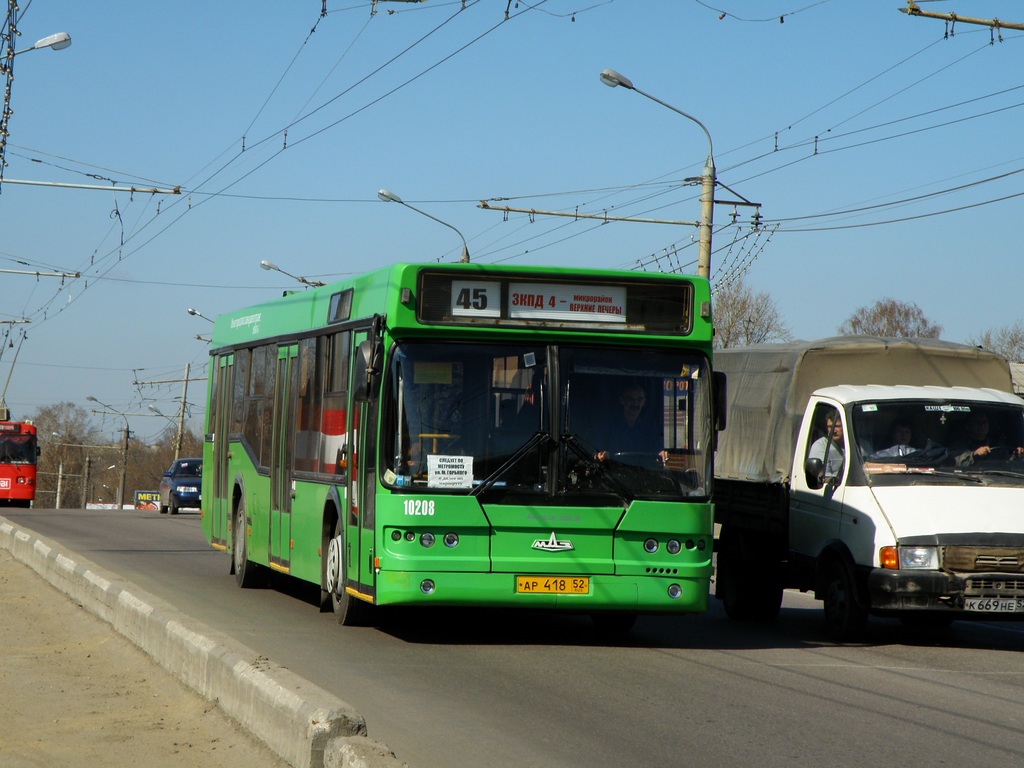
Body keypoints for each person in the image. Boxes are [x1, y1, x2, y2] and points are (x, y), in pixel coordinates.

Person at [595, 381, 665, 463]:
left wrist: (662, 453)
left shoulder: (652, 427)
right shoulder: (608, 426)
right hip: (613, 472)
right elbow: (595, 452)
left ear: (644, 402)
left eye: (639, 399)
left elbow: (659, 451)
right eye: (630, 399)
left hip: (645, 472)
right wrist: (600, 456)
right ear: (622, 401)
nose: (635, 403)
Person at [951, 411, 1024, 464]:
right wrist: (974, 455)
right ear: (967, 427)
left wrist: (1017, 456)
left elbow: (1007, 465)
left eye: (984, 422)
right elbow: (953, 462)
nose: (982, 425)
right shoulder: (957, 446)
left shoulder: (997, 447)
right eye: (977, 422)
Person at [808, 411, 845, 480]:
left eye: (837, 426)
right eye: (830, 427)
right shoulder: (820, 446)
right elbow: (825, 479)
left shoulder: (859, 446)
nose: (833, 430)